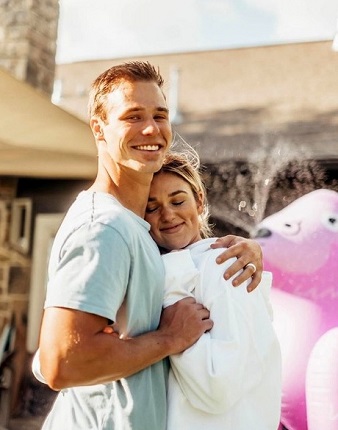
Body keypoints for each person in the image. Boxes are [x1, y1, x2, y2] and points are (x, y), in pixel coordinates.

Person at [35, 61, 263, 429]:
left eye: (160, 115)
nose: (151, 129)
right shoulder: (104, 228)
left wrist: (250, 250)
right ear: (99, 128)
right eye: (132, 116)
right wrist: (169, 338)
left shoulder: (138, 228)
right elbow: (61, 363)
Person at [143, 150, 282, 429]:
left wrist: (172, 308)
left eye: (178, 200)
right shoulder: (160, 270)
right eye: (151, 207)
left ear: (199, 200)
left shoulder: (223, 264)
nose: (167, 214)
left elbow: (218, 385)